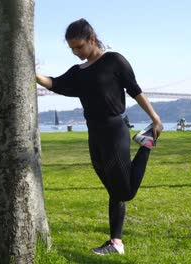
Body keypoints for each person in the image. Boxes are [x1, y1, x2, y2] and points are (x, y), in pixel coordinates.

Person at [36, 18, 163, 256]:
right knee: (114, 190)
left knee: (124, 192)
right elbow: (54, 83)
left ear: (92, 39)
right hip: (94, 134)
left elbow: (135, 90)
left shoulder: (114, 61)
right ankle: (116, 242)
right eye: (72, 49)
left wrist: (155, 119)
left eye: (79, 47)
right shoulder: (77, 73)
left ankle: (146, 144)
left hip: (114, 131)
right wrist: (31, 73)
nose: (76, 53)